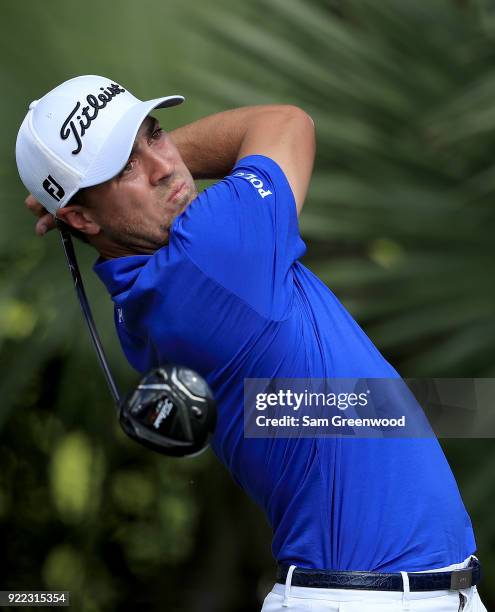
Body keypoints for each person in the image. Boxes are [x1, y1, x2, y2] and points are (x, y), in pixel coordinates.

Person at [17, 75, 487, 612]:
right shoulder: (210, 255)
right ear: (77, 219)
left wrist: (88, 187)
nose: (165, 165)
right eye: (124, 166)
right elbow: (286, 123)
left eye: (156, 135)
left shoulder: (143, 298)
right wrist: (82, 184)